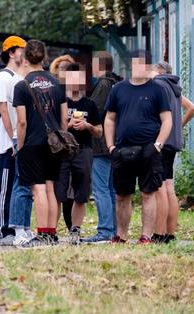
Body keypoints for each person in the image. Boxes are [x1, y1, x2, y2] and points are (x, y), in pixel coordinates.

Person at [104, 50, 172, 244]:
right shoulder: (118, 89)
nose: (138, 67)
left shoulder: (158, 89)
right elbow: (109, 119)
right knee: (122, 195)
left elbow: (167, 120)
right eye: (135, 63)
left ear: (149, 66)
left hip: (148, 150)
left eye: (143, 64)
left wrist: (158, 145)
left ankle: (146, 236)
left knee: (148, 193)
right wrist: (110, 147)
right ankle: (121, 235)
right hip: (122, 150)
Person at [13, 40, 67, 248]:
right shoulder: (56, 84)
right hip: (55, 143)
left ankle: (42, 233)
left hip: (33, 143)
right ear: (45, 58)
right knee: (51, 188)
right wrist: (62, 137)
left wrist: (20, 145)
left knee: (38, 189)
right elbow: (64, 119)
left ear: (25, 58)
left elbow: (22, 121)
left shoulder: (22, 86)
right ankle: (52, 232)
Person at [54, 63, 102, 245]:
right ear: (66, 79)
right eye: (71, 78)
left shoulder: (89, 104)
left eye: (78, 78)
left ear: (83, 80)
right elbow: (51, 129)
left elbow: (99, 131)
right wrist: (66, 126)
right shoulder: (60, 102)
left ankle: (75, 230)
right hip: (61, 152)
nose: (75, 82)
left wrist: (87, 126)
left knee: (81, 193)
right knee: (58, 193)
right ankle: (52, 231)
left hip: (83, 150)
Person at [152, 61, 194, 243]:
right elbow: (193, 108)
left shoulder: (157, 85)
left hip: (161, 142)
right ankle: (170, 233)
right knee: (169, 187)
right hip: (173, 143)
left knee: (159, 187)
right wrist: (179, 126)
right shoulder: (173, 87)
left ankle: (160, 233)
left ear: (158, 72)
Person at [83, 51, 122, 243]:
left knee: (100, 189)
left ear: (98, 64)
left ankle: (105, 230)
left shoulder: (104, 84)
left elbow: (95, 110)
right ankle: (113, 229)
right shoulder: (116, 82)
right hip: (114, 142)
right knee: (111, 188)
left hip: (101, 145)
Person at [0, 36, 26, 246]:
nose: (24, 53)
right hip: (7, 143)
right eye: (21, 50)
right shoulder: (3, 78)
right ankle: (1, 228)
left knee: (16, 186)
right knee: (5, 187)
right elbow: (4, 110)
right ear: (11, 52)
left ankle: (13, 226)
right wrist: (14, 138)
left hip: (17, 141)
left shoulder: (19, 77)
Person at [49, 54, 76, 230]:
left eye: (68, 69)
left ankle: (72, 225)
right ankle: (52, 227)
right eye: (61, 69)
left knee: (74, 189)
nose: (64, 72)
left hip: (77, 146)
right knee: (58, 188)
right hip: (58, 145)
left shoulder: (79, 91)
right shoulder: (52, 90)